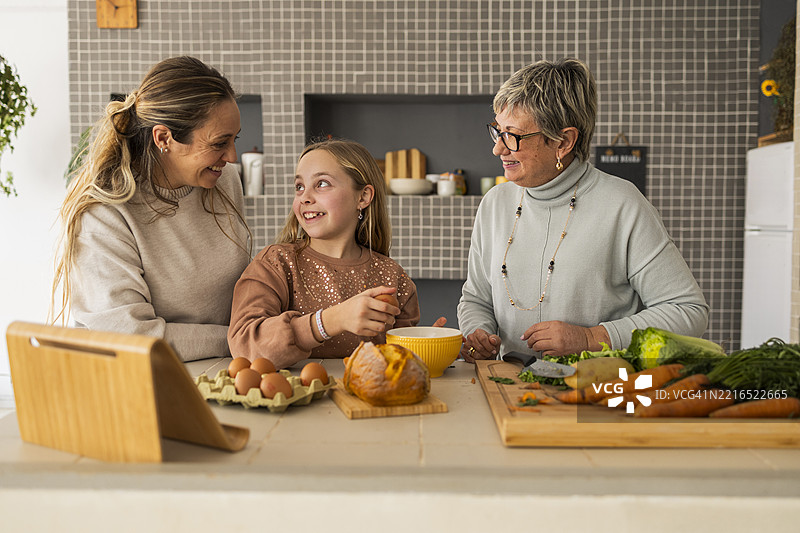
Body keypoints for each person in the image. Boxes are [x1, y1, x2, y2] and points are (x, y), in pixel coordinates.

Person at [458, 58, 709, 362]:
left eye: (513, 136)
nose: (498, 148)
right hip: (507, 389)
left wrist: (593, 338)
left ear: (563, 141)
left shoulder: (623, 204)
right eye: (498, 131)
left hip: (592, 392)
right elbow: (476, 297)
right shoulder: (495, 203)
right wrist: (479, 332)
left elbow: (688, 313)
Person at [51, 56, 252, 362]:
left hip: (220, 370)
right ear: (164, 138)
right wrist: (244, 339)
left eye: (234, 139)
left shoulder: (224, 182)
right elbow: (129, 337)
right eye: (219, 142)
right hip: (129, 383)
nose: (232, 156)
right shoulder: (104, 212)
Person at [228, 139, 420, 369]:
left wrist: (423, 347)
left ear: (363, 197)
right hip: (296, 401)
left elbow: (400, 360)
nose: (305, 197)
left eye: (322, 183)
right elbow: (245, 345)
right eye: (299, 187)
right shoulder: (276, 263)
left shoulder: (393, 277)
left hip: (363, 401)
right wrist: (329, 321)